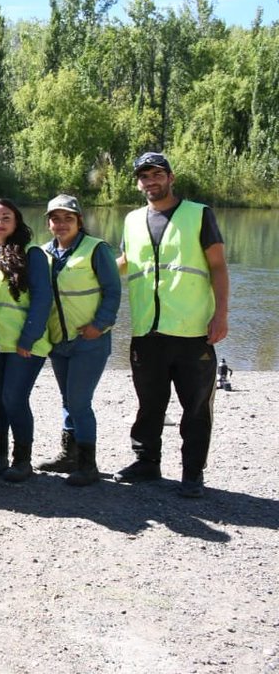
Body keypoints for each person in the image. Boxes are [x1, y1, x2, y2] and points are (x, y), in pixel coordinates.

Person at [115, 152, 229, 498]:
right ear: (138, 183)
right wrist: (83, 269)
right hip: (146, 330)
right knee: (149, 404)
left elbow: (218, 266)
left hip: (192, 331)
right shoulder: (132, 220)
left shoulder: (199, 214)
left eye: (157, 174)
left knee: (195, 407)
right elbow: (125, 262)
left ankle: (192, 473)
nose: (151, 181)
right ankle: (146, 462)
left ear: (171, 177)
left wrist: (221, 315)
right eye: (144, 176)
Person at [36, 194, 120, 487]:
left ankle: (88, 465)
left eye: (67, 218)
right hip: (58, 341)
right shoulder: (43, 253)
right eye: (55, 219)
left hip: (89, 341)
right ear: (48, 223)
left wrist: (99, 325)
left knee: (79, 402)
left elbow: (113, 291)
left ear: (79, 221)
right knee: (67, 399)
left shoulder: (96, 249)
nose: (61, 224)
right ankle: (69, 455)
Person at [0, 198, 52, 483]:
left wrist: (28, 337)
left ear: (17, 221)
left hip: (24, 344)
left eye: (5, 217)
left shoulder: (32, 254)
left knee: (14, 398)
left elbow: (42, 298)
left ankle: (23, 460)